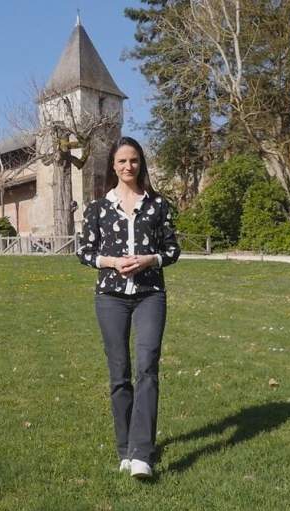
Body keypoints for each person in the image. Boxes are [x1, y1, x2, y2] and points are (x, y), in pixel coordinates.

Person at [76, 136, 180, 480]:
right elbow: (84, 252)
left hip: (150, 294)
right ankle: (125, 448)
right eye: (121, 161)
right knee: (119, 373)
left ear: (141, 164)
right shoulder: (98, 208)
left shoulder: (158, 205)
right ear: (113, 166)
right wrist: (110, 262)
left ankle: (142, 453)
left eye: (134, 161)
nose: (128, 167)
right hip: (111, 296)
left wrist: (151, 258)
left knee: (147, 367)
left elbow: (173, 250)